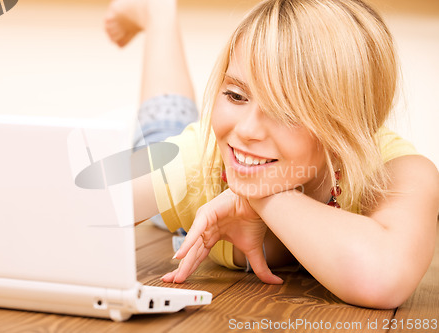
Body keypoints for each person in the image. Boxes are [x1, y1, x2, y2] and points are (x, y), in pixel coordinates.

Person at [104, 0, 439, 309]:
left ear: (346, 126)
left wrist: (260, 196)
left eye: (285, 112)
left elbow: (382, 277)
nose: (248, 129)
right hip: (187, 162)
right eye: (235, 95)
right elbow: (74, 205)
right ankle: (159, 12)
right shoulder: (199, 162)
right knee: (162, 129)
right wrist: (258, 186)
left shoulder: (396, 172)